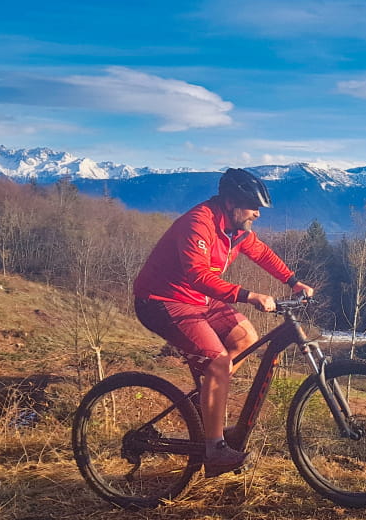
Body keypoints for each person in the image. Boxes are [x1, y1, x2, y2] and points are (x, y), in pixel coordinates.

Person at [133, 168, 314, 478]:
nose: (257, 213)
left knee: (245, 339)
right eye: (252, 206)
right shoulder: (199, 222)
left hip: (196, 297)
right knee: (218, 363)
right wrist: (248, 295)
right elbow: (198, 275)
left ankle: (210, 409)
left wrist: (294, 281)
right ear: (231, 203)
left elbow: (260, 252)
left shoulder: (236, 229)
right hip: (161, 300)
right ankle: (214, 448)